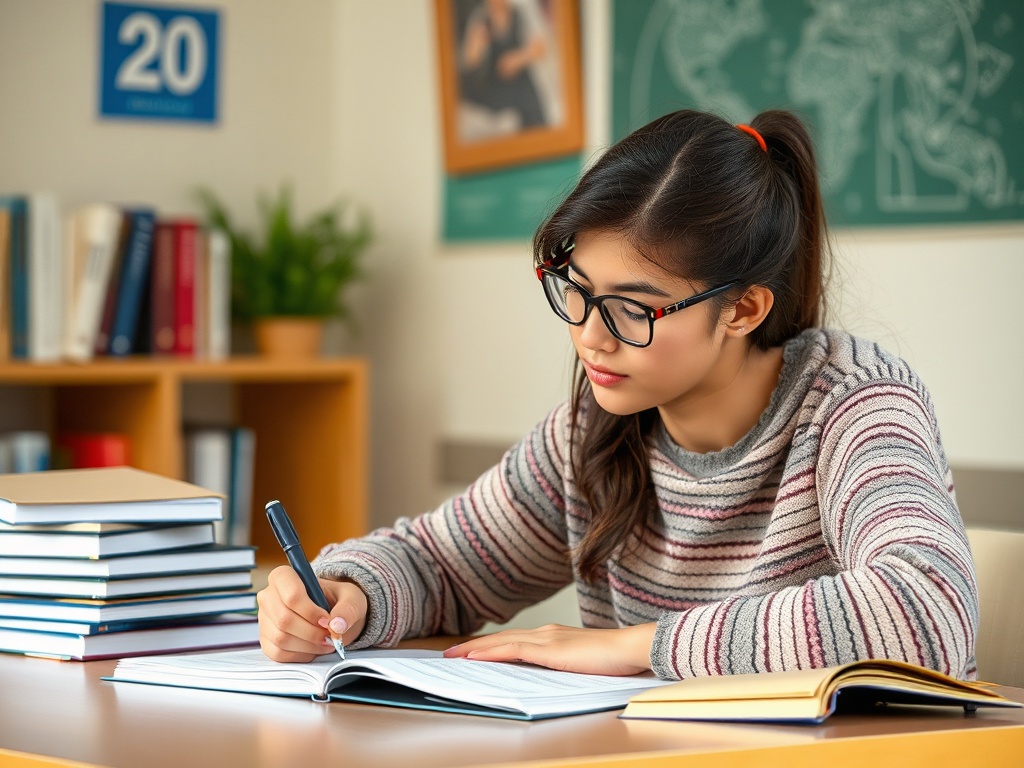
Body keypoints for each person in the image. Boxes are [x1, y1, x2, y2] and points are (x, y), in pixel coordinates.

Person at [258, 109, 978, 681]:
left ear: (743, 310)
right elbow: (442, 565)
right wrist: (347, 596)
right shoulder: (597, 426)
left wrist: (638, 648)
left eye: (633, 309)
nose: (590, 338)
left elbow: (927, 611)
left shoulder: (854, 403)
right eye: (579, 292)